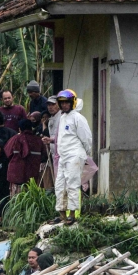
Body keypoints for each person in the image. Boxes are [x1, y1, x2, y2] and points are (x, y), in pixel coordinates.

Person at [52, 89, 92, 224]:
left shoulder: (78, 118)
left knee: (73, 185)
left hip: (75, 155)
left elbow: (86, 138)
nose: (64, 105)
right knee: (59, 185)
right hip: (63, 157)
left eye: (67, 103)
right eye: (62, 103)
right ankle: (62, 214)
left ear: (72, 103)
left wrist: (86, 154)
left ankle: (73, 214)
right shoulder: (62, 117)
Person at [5, 119, 45, 193]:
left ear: (19, 129)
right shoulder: (38, 141)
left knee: (16, 201)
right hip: (33, 178)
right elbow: (44, 156)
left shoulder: (14, 139)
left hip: (16, 177)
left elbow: (7, 153)